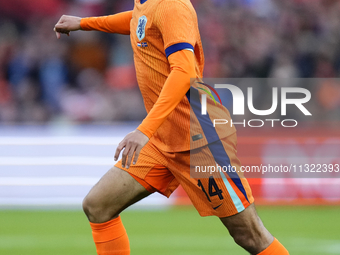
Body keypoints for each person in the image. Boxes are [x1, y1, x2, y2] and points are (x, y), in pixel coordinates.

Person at [54, 0, 289, 254]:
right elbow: (138, 21)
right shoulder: (148, 3)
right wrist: (84, 24)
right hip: (162, 140)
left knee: (249, 235)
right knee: (98, 205)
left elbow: (184, 70)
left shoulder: (172, 5)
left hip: (199, 140)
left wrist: (144, 130)